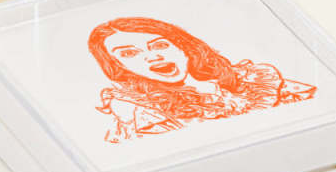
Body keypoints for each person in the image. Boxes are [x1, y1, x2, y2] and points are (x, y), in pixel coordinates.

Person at [88, 17, 317, 143]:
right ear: (118, 65)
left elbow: (315, 108)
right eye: (129, 53)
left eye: (160, 45)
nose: (152, 56)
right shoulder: (140, 112)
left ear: (184, 47)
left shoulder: (253, 79)